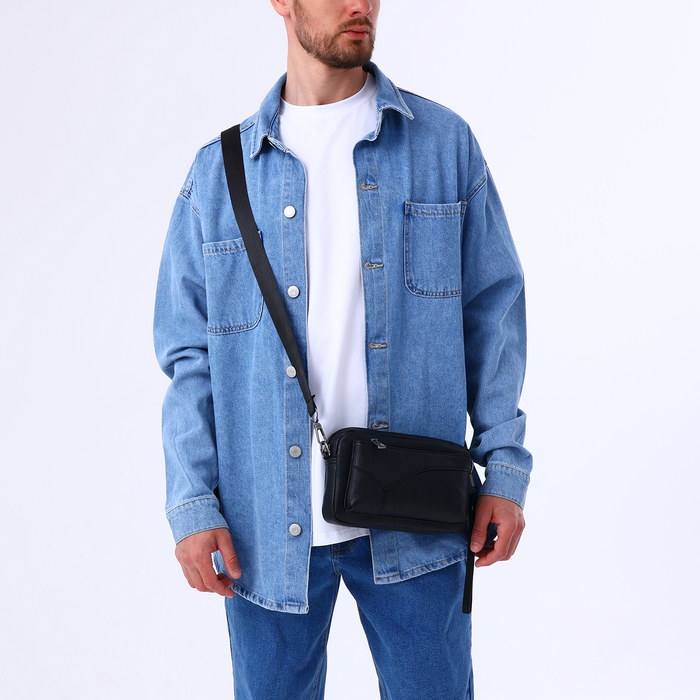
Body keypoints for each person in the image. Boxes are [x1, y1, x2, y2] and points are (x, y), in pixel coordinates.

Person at [153, 0, 532, 697]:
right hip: (264, 531)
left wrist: (503, 469)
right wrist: (192, 504)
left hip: (418, 521)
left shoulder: (444, 147)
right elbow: (188, 358)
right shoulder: (218, 173)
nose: (361, 5)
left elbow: (493, 314)